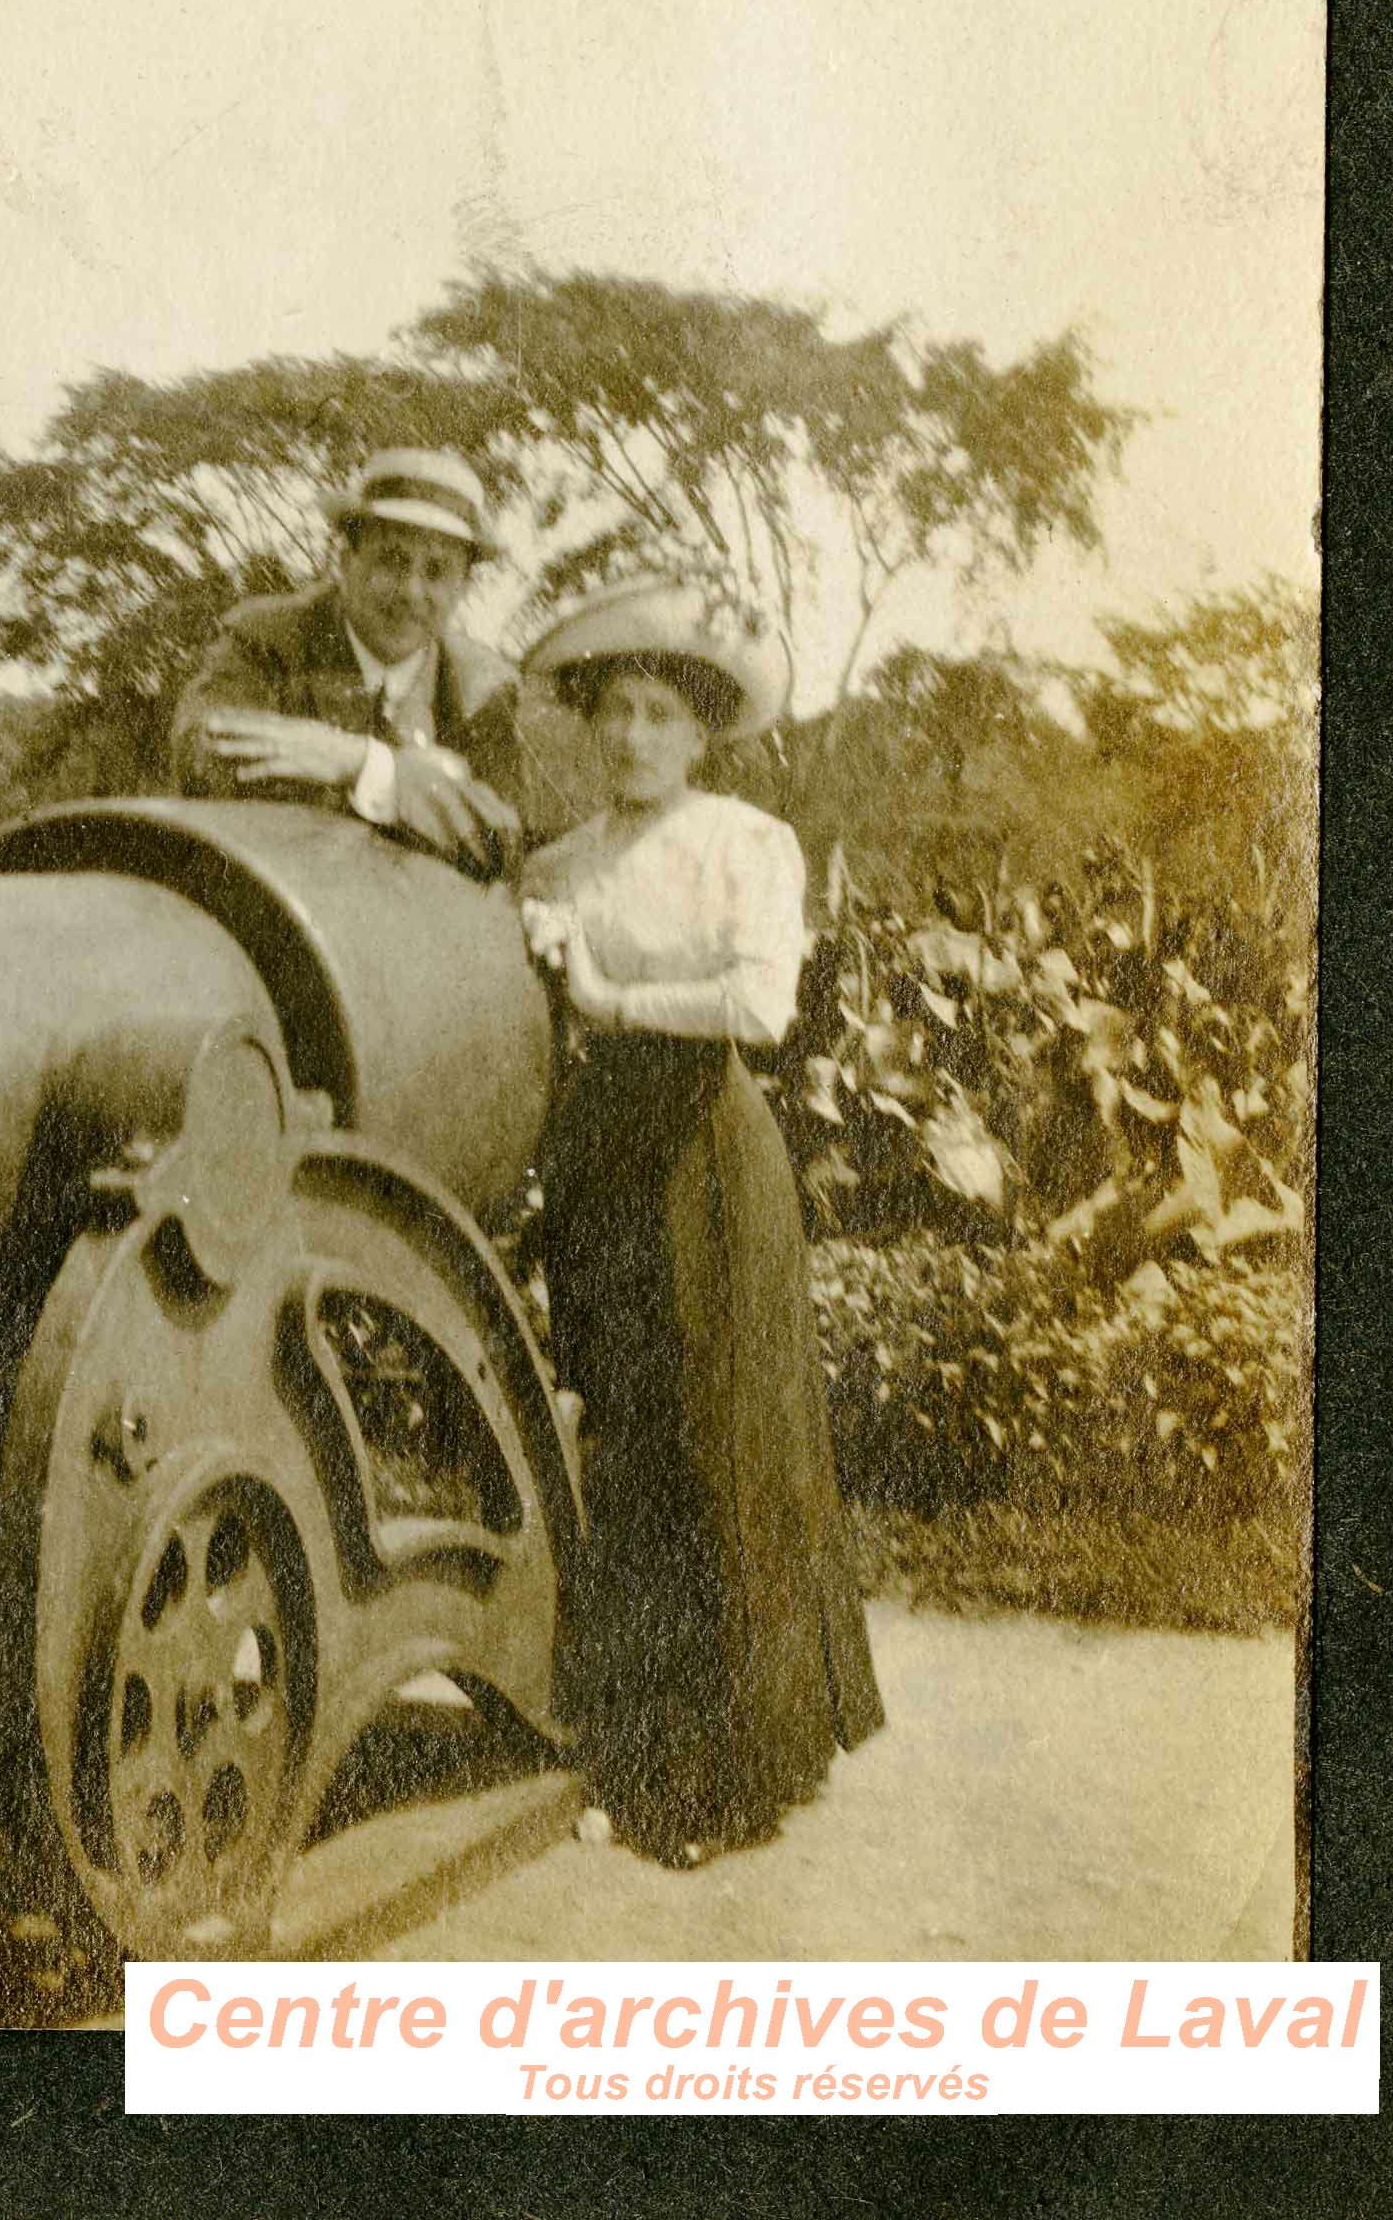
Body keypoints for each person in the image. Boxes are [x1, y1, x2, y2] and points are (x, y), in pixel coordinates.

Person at [520, 577, 885, 1864]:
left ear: (700, 730)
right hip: (599, 1163)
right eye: (611, 709)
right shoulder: (556, 860)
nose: (630, 736)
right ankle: (632, 1744)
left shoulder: (744, 840)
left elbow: (760, 1004)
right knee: (625, 1436)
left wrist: (610, 992)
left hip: (709, 1151)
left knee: (725, 1430)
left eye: (658, 712)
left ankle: (744, 1764)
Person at [169, 447, 522, 876]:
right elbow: (206, 759)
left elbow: (505, 838)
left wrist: (359, 763)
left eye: (435, 571)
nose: (411, 591)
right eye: (392, 561)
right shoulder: (266, 640)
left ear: (462, 586)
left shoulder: (482, 688)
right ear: (345, 561)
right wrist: (430, 786)